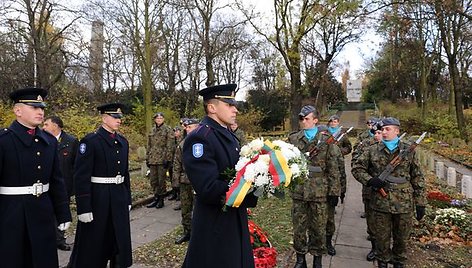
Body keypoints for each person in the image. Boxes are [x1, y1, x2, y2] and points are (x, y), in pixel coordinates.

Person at [182, 84, 258, 268]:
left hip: (233, 216)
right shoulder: (200, 137)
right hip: (214, 222)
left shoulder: (227, 134)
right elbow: (207, 188)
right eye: (229, 104)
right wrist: (247, 184)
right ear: (212, 107)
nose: (235, 109)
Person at [0, 87, 71, 267]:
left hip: (43, 214)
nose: (40, 111)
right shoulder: (4, 140)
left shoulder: (49, 142)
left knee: (43, 260)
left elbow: (57, 181)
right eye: (34, 107)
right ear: (17, 110)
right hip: (11, 215)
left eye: (42, 107)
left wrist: (63, 213)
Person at [351, 117, 426, 268]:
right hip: (380, 203)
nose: (384, 132)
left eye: (387, 129)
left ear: (397, 131)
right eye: (382, 129)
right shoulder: (372, 150)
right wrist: (370, 180)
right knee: (381, 240)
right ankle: (382, 263)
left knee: (401, 241)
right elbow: (357, 168)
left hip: (403, 204)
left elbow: (417, 177)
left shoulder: (408, 151)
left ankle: (398, 264)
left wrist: (420, 202)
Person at [69, 103, 132, 268]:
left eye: (120, 117)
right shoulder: (91, 141)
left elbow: (125, 174)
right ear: (104, 118)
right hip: (99, 198)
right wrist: (83, 207)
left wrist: (128, 198)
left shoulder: (122, 142)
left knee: (119, 240)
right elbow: (81, 176)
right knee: (95, 244)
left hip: (118, 197)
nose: (119, 120)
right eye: (115, 117)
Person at [288, 105, 342, 268]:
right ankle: (300, 259)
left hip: (320, 191)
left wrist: (334, 192)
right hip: (299, 190)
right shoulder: (293, 139)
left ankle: (317, 259)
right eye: (301, 119)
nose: (303, 122)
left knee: (319, 227)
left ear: (316, 120)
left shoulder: (326, 140)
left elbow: (333, 167)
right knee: (299, 227)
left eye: (307, 119)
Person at [43, 115, 79, 251]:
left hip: (64, 186)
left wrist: (74, 187)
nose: (43, 127)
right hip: (46, 185)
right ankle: (48, 238)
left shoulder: (71, 141)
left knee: (61, 212)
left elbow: (77, 166)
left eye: (46, 124)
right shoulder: (42, 140)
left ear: (55, 126)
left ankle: (59, 240)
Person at [351, 119, 383, 261]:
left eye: (380, 132)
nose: (377, 135)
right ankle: (375, 248)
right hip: (370, 189)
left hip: (392, 194)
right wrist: (368, 179)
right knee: (371, 219)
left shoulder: (397, 148)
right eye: (375, 132)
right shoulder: (366, 145)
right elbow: (355, 163)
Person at [325, 114, 352, 256]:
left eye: (335, 121)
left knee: (340, 181)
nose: (333, 123)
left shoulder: (342, 134)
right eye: (331, 121)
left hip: (339, 162)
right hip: (327, 164)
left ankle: (340, 195)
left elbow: (349, 147)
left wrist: (340, 151)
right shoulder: (324, 133)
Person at [173, 118, 199, 244]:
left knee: (199, 208)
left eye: (190, 127)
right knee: (185, 208)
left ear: (197, 127)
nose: (187, 129)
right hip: (184, 181)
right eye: (186, 127)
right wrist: (175, 182)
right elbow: (176, 163)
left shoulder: (202, 142)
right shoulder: (182, 144)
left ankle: (198, 233)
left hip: (198, 182)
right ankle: (187, 232)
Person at [146, 112, 175, 208]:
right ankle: (156, 198)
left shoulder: (167, 130)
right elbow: (149, 145)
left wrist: (168, 159)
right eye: (157, 118)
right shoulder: (152, 130)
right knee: (153, 180)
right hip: (153, 158)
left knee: (161, 180)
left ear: (163, 119)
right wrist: (147, 158)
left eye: (161, 118)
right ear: (155, 120)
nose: (159, 120)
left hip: (162, 159)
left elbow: (170, 146)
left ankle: (161, 199)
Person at [170, 125, 184, 207]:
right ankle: (175, 193)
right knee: (173, 178)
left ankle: (179, 196)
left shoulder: (181, 140)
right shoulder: (172, 140)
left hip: (179, 164)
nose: (175, 133)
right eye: (174, 131)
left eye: (177, 131)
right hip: (173, 162)